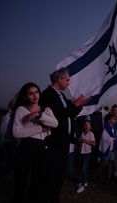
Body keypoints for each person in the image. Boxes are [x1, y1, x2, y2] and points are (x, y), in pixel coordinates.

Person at [40, 67, 88, 203]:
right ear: (59, 79)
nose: (69, 83)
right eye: (67, 80)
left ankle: (54, 197)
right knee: (50, 174)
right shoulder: (48, 94)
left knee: (60, 174)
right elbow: (59, 117)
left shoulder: (62, 96)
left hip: (64, 143)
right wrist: (75, 105)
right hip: (53, 142)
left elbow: (70, 113)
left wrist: (80, 105)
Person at [11, 82, 58, 203]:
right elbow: (16, 133)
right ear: (26, 96)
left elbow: (55, 123)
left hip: (42, 147)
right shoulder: (21, 110)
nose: (34, 95)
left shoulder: (45, 110)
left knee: (38, 180)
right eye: (30, 93)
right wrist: (39, 129)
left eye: (36, 92)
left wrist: (38, 115)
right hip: (26, 146)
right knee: (22, 180)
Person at [76, 120, 96, 193]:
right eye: (86, 125)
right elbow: (81, 143)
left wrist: (86, 141)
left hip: (87, 153)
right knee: (82, 168)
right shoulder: (82, 133)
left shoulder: (91, 134)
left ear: (90, 127)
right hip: (82, 152)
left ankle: (83, 184)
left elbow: (94, 144)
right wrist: (80, 140)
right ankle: (84, 181)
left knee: (84, 169)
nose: (87, 126)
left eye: (88, 125)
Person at [97, 114, 117, 179]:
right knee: (104, 162)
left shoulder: (114, 127)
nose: (114, 120)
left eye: (114, 119)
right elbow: (104, 137)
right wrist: (112, 139)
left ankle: (109, 176)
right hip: (107, 147)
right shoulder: (106, 127)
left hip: (112, 147)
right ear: (109, 120)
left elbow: (114, 135)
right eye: (112, 119)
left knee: (111, 162)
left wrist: (113, 139)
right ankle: (98, 173)